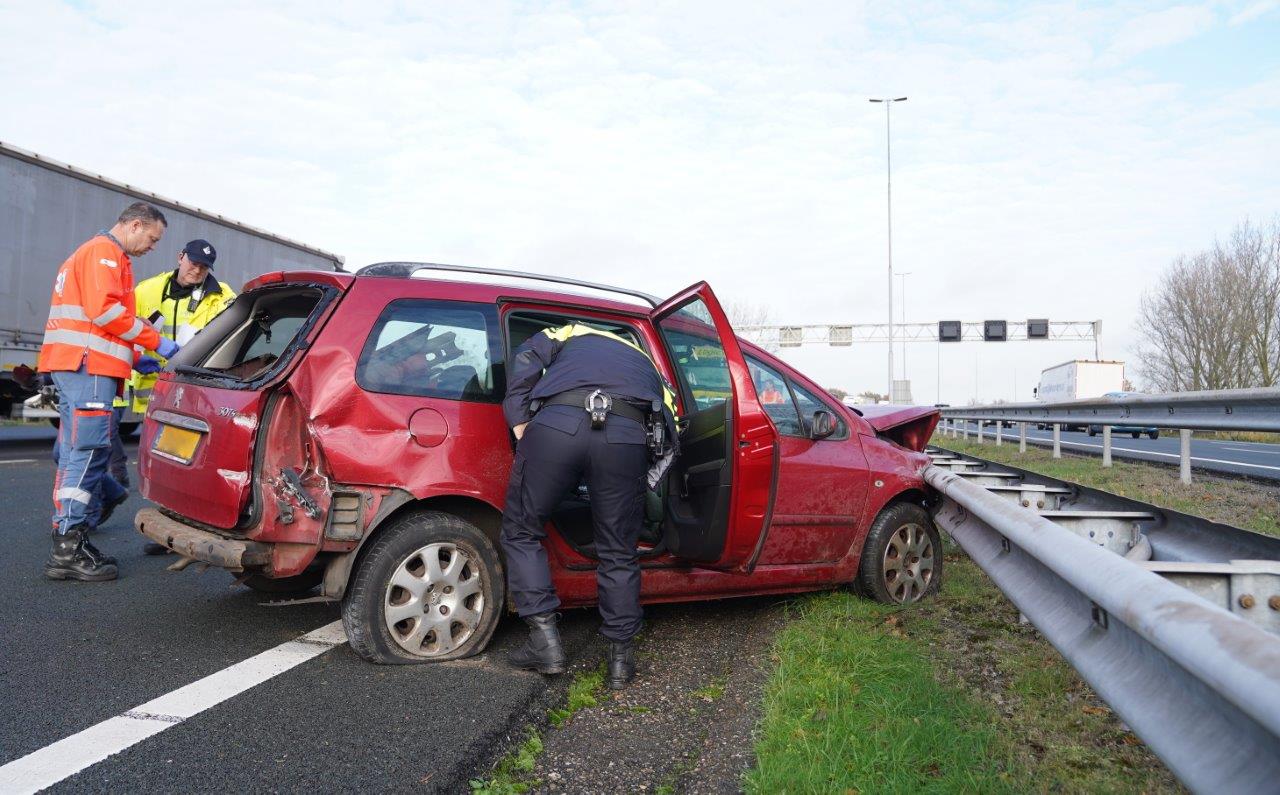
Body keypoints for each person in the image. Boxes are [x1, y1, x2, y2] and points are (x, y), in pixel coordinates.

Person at [500, 323, 678, 690]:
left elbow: (525, 357)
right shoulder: (646, 361)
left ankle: (545, 644)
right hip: (625, 435)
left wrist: (519, 419)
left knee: (521, 530)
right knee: (619, 550)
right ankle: (620, 662)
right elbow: (671, 422)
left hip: (557, 425)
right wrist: (645, 479)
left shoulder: (568, 332)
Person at [39, 202, 180, 582]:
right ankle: (69, 545)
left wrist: (133, 357)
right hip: (88, 369)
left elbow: (93, 324)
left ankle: (69, 535)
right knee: (88, 452)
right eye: (152, 238)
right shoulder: (104, 253)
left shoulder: (92, 253)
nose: (153, 246)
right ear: (135, 225)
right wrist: (158, 343)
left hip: (78, 365)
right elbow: (104, 312)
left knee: (75, 452)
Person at [126, 239, 235, 555]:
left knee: (188, 462)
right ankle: (167, 527)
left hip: (195, 388)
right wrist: (135, 358)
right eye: (193, 263)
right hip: (156, 386)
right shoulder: (148, 290)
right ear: (180, 257)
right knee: (164, 460)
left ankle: (185, 527)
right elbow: (125, 327)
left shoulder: (222, 297)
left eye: (204, 267)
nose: (197, 270)